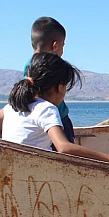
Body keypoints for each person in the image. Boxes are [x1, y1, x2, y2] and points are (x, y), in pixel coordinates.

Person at [0, 52, 109, 175]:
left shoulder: (14, 107)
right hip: (38, 174)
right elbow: (64, 147)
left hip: (13, 170)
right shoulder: (46, 109)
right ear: (60, 87)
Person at [29, 16, 75, 144]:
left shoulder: (30, 65)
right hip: (56, 122)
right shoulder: (50, 67)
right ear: (55, 45)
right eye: (63, 45)